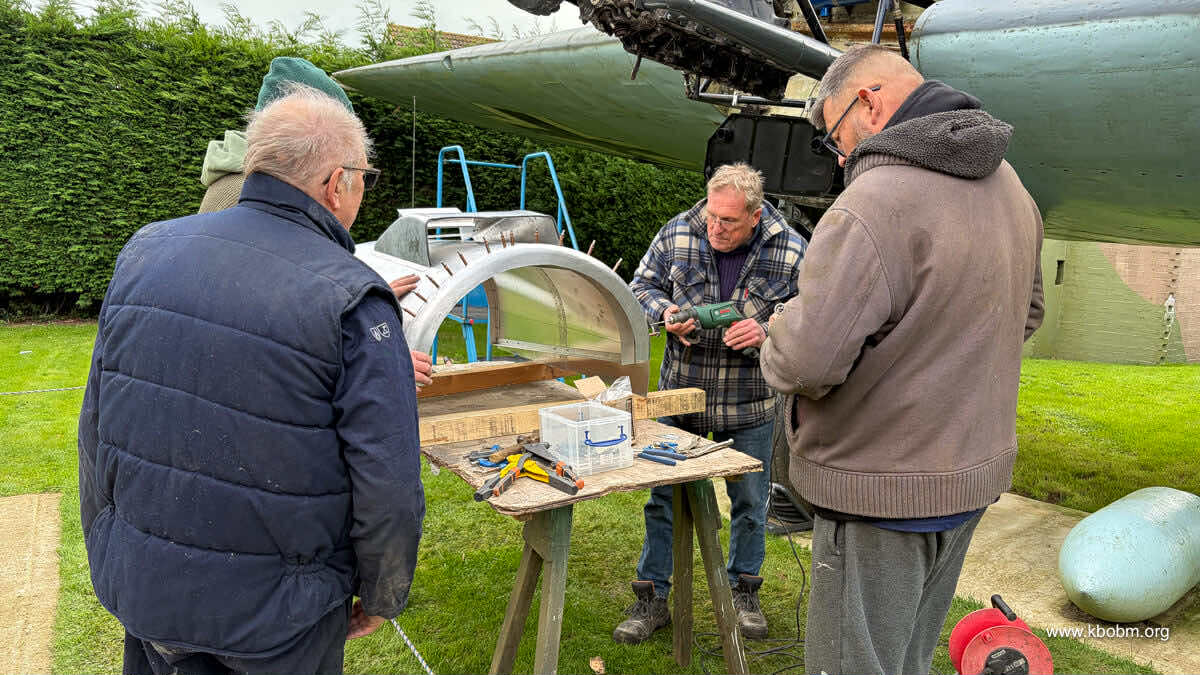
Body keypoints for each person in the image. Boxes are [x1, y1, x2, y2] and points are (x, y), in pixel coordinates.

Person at [78, 84, 426, 675]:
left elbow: (94, 428)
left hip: (145, 587)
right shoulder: (353, 297)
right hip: (279, 618)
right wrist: (383, 594)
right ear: (337, 183)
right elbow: (387, 485)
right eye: (365, 177)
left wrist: (109, 544)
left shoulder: (145, 250)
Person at [760, 45, 1044, 675]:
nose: (838, 156)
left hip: (881, 493)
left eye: (833, 134)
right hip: (969, 480)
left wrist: (776, 332)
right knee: (907, 659)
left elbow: (807, 362)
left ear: (869, 102)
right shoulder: (1010, 184)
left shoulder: (872, 203)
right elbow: (1026, 314)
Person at [619, 163, 807, 643]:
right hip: (682, 392)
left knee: (750, 501)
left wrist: (767, 330)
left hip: (749, 401)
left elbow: (812, 310)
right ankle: (652, 598)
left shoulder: (790, 248)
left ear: (755, 215)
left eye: (728, 221)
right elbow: (640, 286)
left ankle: (743, 592)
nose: (715, 228)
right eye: (711, 216)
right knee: (664, 497)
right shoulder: (678, 231)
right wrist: (664, 311)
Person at [198, 57, 427, 313]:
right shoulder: (251, 192)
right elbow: (272, 304)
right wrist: (359, 307)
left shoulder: (243, 180)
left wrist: (357, 296)